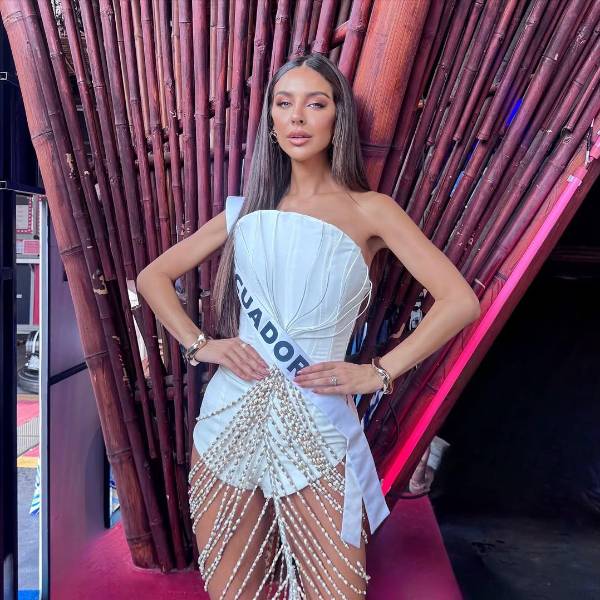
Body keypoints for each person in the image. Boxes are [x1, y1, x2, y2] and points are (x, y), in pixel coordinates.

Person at [136, 53, 480, 600]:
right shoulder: (243, 210)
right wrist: (202, 345)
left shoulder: (372, 210)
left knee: (337, 591)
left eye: (315, 104)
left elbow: (460, 301)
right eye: (284, 103)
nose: (297, 116)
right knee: (232, 592)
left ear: (337, 118)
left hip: (318, 423)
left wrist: (378, 372)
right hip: (228, 417)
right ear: (272, 121)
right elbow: (152, 278)